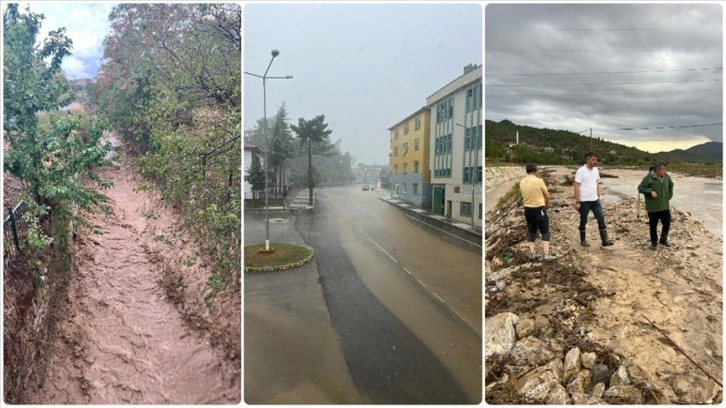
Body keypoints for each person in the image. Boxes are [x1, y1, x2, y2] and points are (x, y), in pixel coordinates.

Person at [574, 152, 614, 247]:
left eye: (596, 160)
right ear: (588, 160)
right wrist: (577, 201)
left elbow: (596, 184)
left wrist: (598, 197)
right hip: (584, 201)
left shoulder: (596, 170)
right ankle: (583, 240)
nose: (595, 162)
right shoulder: (581, 171)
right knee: (584, 220)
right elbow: (576, 186)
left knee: (601, 218)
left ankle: (605, 240)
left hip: (595, 200)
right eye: (593, 160)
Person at [520, 163, 556, 262]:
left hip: (527, 210)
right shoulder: (539, 181)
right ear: (536, 171)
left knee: (531, 231)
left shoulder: (522, 182)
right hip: (539, 209)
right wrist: (546, 204)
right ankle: (546, 254)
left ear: (527, 171)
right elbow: (547, 196)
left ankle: (532, 254)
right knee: (544, 230)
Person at [638, 162, 674, 250]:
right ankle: (654, 243)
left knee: (667, 223)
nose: (664, 171)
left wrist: (668, 196)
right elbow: (640, 188)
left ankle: (663, 240)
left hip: (664, 206)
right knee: (653, 226)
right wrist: (650, 191)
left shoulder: (666, 177)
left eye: (665, 169)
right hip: (653, 207)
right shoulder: (648, 178)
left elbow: (671, 185)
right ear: (657, 170)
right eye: (663, 169)